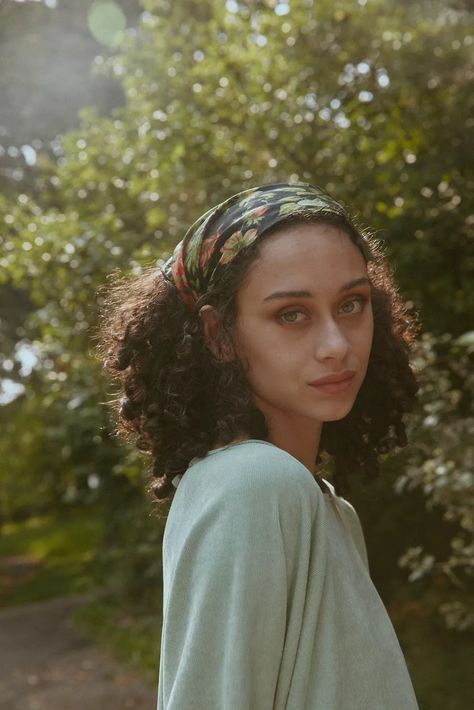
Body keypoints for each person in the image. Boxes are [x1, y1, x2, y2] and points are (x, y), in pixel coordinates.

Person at [96, 182, 421, 709]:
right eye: (291, 314)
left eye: (352, 304)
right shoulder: (252, 485)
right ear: (219, 336)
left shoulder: (321, 504)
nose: (337, 345)